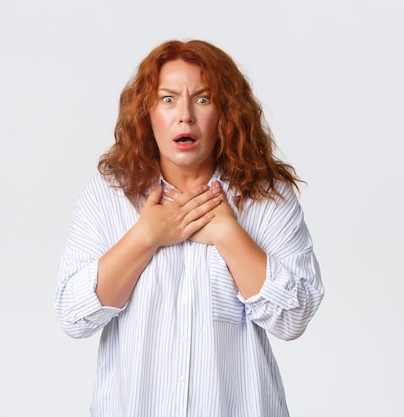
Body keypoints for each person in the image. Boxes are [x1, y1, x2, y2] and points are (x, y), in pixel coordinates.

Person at [54, 39, 324, 417]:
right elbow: (73, 316)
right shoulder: (109, 196)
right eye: (167, 99)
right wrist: (145, 237)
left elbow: (294, 319)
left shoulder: (267, 196)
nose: (185, 116)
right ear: (147, 113)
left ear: (226, 112)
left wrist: (229, 235)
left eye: (202, 99)